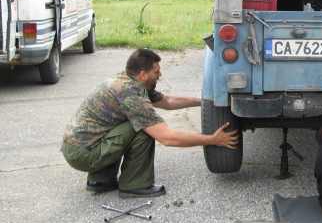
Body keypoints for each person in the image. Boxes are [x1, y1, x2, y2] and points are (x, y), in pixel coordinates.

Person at [61, 48, 239, 198]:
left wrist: (204, 100)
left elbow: (167, 101)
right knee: (143, 129)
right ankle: (134, 185)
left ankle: (100, 180)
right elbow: (167, 138)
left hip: (79, 147)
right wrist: (212, 140)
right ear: (143, 74)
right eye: (157, 72)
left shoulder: (128, 81)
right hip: (83, 155)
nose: (160, 75)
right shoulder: (131, 95)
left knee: (125, 125)